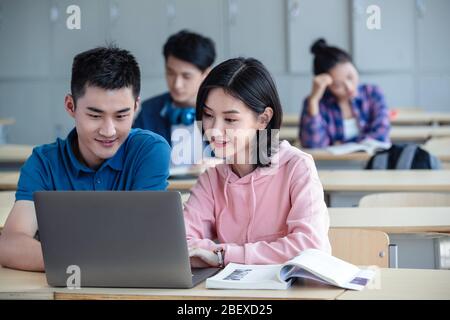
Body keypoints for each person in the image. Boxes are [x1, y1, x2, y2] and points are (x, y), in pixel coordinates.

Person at [0, 46, 171, 272]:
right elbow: (11, 245)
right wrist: (87, 264)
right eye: (95, 115)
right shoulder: (44, 162)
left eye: (121, 116)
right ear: (71, 106)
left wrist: (68, 258)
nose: (109, 131)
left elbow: (141, 241)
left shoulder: (150, 151)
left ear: (136, 107)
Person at [185, 58, 331, 267]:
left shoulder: (297, 167)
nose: (214, 129)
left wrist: (222, 255)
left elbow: (308, 247)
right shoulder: (212, 179)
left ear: (263, 119)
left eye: (230, 119)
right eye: (208, 115)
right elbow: (182, 244)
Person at [133, 30, 216, 171]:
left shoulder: (223, 112)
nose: (177, 84)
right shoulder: (149, 112)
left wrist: (220, 165)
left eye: (186, 76)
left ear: (206, 74)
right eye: (170, 73)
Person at [299, 38, 391, 148]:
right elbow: (314, 144)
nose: (349, 87)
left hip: (373, 163)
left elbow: (381, 135)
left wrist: (340, 144)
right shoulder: (316, 103)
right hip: (333, 165)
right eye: (338, 85)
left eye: (350, 76)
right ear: (327, 86)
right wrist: (314, 101)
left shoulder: (373, 94)